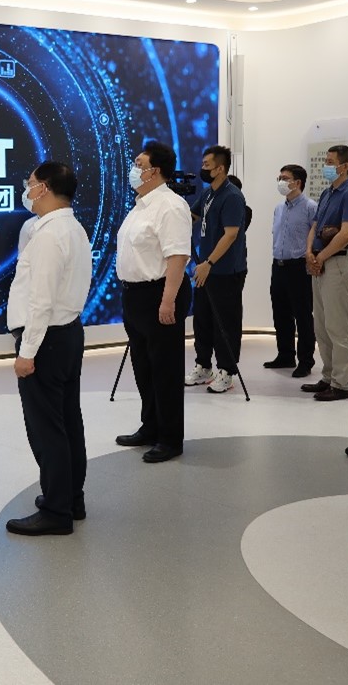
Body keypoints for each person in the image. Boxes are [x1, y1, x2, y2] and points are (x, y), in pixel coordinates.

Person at [5, 162, 92, 536]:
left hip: (46, 340)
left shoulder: (47, 236)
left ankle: (57, 511)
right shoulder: (73, 229)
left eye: (30, 183)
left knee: (47, 429)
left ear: (43, 188)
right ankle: (71, 498)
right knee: (68, 421)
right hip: (67, 333)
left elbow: (40, 301)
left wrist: (27, 352)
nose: (27, 190)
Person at [115, 141, 193, 463]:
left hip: (160, 293)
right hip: (135, 295)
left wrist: (168, 301)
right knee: (143, 366)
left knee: (165, 369)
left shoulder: (171, 206)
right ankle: (150, 426)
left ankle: (170, 438)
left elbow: (178, 256)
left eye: (139, 164)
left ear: (154, 171)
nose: (133, 169)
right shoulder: (140, 206)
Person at [184, 145, 248, 394]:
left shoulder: (232, 196)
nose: (202, 169)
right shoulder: (208, 193)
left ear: (220, 168)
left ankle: (226, 371)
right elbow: (192, 216)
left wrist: (208, 263)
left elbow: (230, 235)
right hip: (205, 270)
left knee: (225, 323)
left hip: (225, 271)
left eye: (207, 165)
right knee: (202, 320)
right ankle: (204, 365)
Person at [303, 145, 348, 401]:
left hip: (337, 263)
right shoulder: (328, 192)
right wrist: (309, 252)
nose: (325, 166)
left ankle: (340, 384)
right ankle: (327, 376)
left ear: (344, 166)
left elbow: (347, 233)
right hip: (320, 262)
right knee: (322, 325)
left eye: (330, 162)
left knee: (338, 326)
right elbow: (315, 226)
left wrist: (321, 257)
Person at [265, 164, 318, 377]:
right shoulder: (279, 208)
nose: (280, 181)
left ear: (297, 182)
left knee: (303, 315)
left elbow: (315, 238)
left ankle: (305, 360)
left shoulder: (310, 207)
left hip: (299, 267)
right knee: (281, 313)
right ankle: (285, 355)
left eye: (285, 178)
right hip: (278, 265)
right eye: (279, 177)